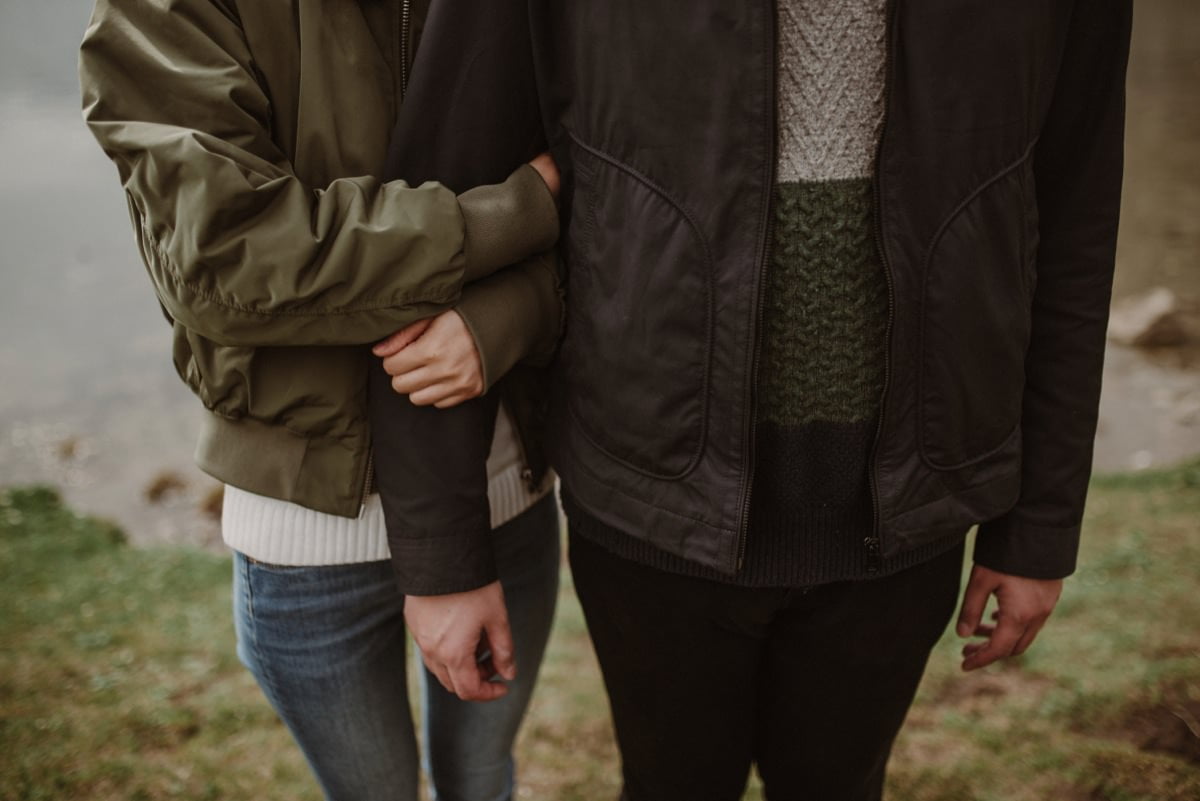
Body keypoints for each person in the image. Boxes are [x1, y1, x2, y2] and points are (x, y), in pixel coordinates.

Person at [529, 1, 1133, 798]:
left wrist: (1038, 529)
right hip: (652, 511)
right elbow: (476, 183)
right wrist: (448, 547)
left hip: (901, 520)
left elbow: (1073, 217)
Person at [79, 1, 563, 800]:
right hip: (309, 535)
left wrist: (510, 317)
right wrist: (509, 218)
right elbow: (224, 261)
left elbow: (619, 207)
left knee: (482, 780)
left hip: (505, 489)